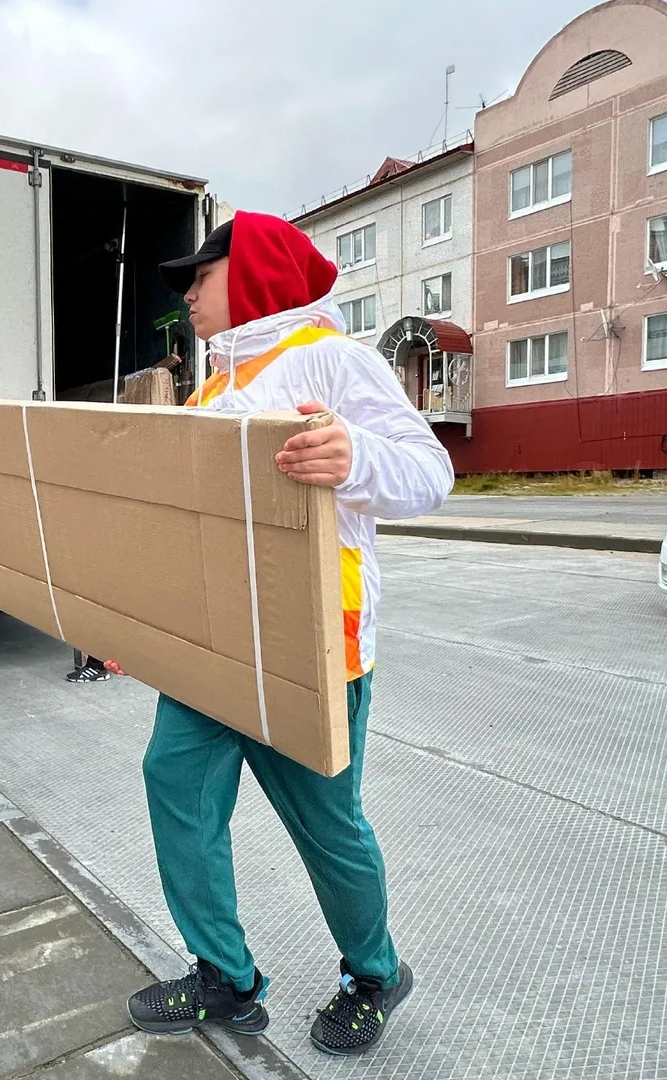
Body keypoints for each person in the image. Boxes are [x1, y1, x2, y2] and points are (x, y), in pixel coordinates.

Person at [121, 214, 452, 1057]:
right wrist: (135, 621)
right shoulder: (206, 388)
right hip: (210, 644)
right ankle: (225, 978)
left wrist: (355, 457)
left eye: (201, 274)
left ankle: (375, 972)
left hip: (312, 647)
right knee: (174, 784)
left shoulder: (332, 360)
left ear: (256, 270)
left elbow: (432, 473)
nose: (188, 293)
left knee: (326, 826)